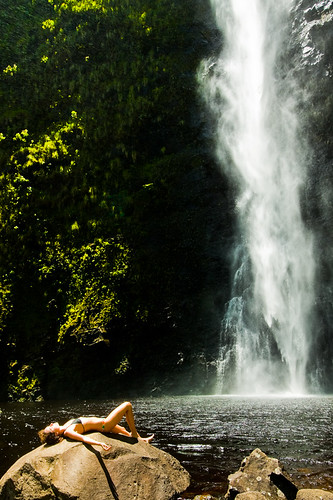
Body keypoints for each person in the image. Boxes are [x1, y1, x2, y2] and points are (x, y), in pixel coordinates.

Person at [38, 401, 154, 451]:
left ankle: (142, 440)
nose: (51, 424)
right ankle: (134, 434)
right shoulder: (68, 432)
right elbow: (83, 439)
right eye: (51, 427)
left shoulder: (65, 426)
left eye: (50, 425)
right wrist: (100, 443)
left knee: (123, 429)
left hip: (104, 423)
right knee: (127, 405)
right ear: (56, 434)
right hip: (105, 426)